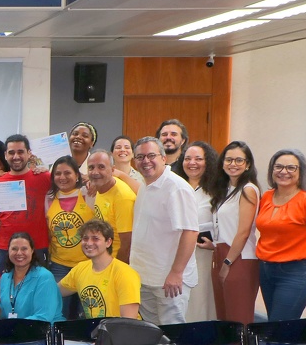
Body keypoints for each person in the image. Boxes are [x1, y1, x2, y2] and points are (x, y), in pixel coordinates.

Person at [130, 137, 199, 326]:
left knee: (172, 335)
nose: (146, 161)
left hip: (169, 281)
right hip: (145, 277)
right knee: (152, 333)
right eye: (140, 157)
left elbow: (190, 232)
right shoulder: (145, 185)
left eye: (151, 155)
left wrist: (176, 272)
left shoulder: (177, 188)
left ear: (163, 158)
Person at [0, 134, 52, 273]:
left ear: (29, 153)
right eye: (11, 152)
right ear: (5, 155)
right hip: (6, 247)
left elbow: (69, 185)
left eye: (20, 152)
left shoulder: (44, 177)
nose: (16, 156)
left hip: (37, 246)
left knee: (38, 285)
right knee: (5, 285)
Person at [255, 149, 306, 321]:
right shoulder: (266, 197)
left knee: (279, 326)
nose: (283, 172)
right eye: (278, 167)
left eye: (291, 168)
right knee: (275, 325)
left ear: (301, 172)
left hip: (297, 272)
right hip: (266, 270)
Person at [210, 141, 261, 324]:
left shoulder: (248, 190)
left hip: (239, 258)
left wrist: (227, 262)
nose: (233, 164)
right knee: (224, 317)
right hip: (222, 253)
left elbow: (243, 232)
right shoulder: (225, 190)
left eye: (239, 160)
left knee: (239, 319)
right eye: (229, 159)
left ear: (247, 165)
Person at [174, 141, 221, 323]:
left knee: (201, 300)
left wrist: (214, 244)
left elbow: (225, 223)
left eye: (198, 159)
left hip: (203, 253)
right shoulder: (175, 186)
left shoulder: (217, 190)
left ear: (207, 162)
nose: (192, 163)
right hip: (175, 253)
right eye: (187, 159)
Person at [59, 220, 141, 319]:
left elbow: (129, 321)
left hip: (120, 328)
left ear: (108, 242)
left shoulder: (125, 274)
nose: (89, 243)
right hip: (94, 328)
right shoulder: (80, 269)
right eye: (85, 238)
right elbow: (54, 291)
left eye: (95, 239)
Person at [45, 155, 95, 319]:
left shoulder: (89, 193)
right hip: (59, 266)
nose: (62, 177)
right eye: (58, 173)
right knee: (60, 314)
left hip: (88, 265)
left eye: (67, 173)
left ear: (77, 176)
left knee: (85, 314)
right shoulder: (49, 198)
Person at [0, 232, 62, 323]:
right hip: (16, 329)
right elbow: (6, 309)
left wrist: (13, 327)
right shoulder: (5, 277)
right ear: (8, 251)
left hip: (43, 330)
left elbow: (44, 317)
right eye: (14, 249)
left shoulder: (44, 277)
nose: (19, 253)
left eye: (24, 249)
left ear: (32, 250)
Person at [85, 150, 136, 263]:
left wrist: (114, 268)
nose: (95, 172)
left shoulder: (123, 198)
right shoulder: (102, 186)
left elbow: (127, 245)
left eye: (101, 167)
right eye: (91, 167)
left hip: (115, 263)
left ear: (113, 170)